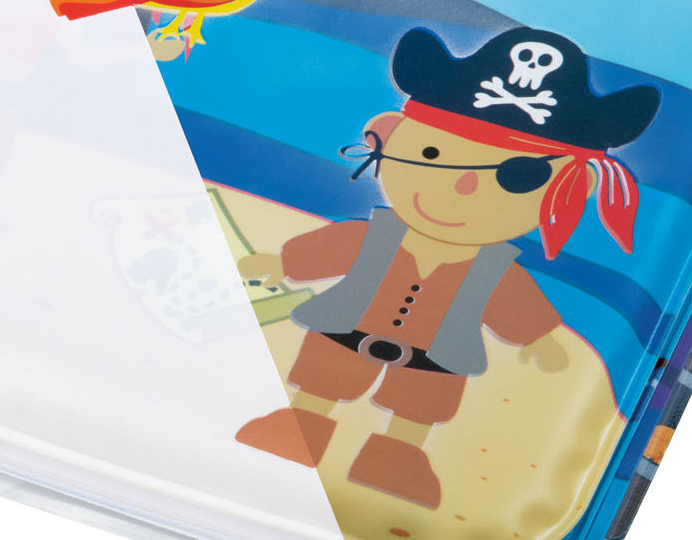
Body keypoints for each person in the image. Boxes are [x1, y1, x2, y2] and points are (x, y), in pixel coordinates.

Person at [235, 26, 659, 509]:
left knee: (420, 401)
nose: (464, 188)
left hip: (437, 357)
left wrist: (537, 338)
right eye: (433, 154)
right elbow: (334, 248)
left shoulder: (495, 268)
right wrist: (282, 263)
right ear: (385, 136)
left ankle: (397, 455)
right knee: (325, 376)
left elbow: (513, 302)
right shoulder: (375, 236)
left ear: (576, 190)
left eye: (515, 178)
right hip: (345, 329)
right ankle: (303, 423)